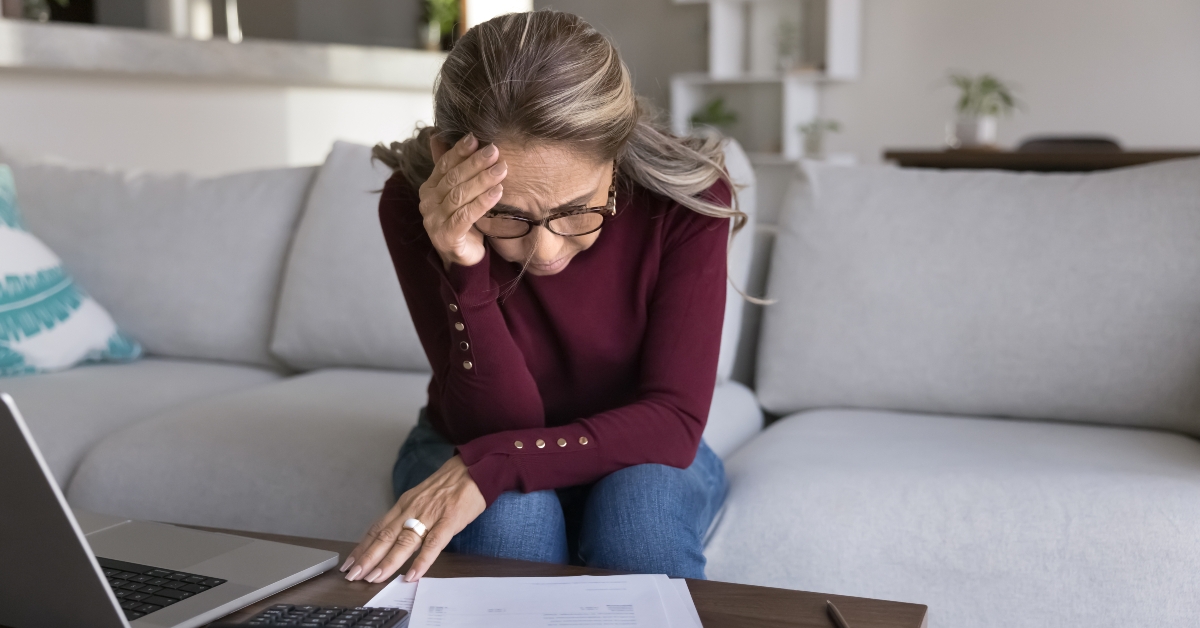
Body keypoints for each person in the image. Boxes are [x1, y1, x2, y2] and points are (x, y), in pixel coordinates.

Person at [342, 10, 747, 585]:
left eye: (578, 209)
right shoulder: (416, 204)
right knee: (510, 521)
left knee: (641, 526)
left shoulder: (687, 200)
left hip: (640, 441)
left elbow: (673, 420)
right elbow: (501, 421)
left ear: (619, 153)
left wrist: (496, 464)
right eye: (506, 215)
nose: (546, 252)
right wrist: (464, 262)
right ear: (446, 161)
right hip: (471, 432)